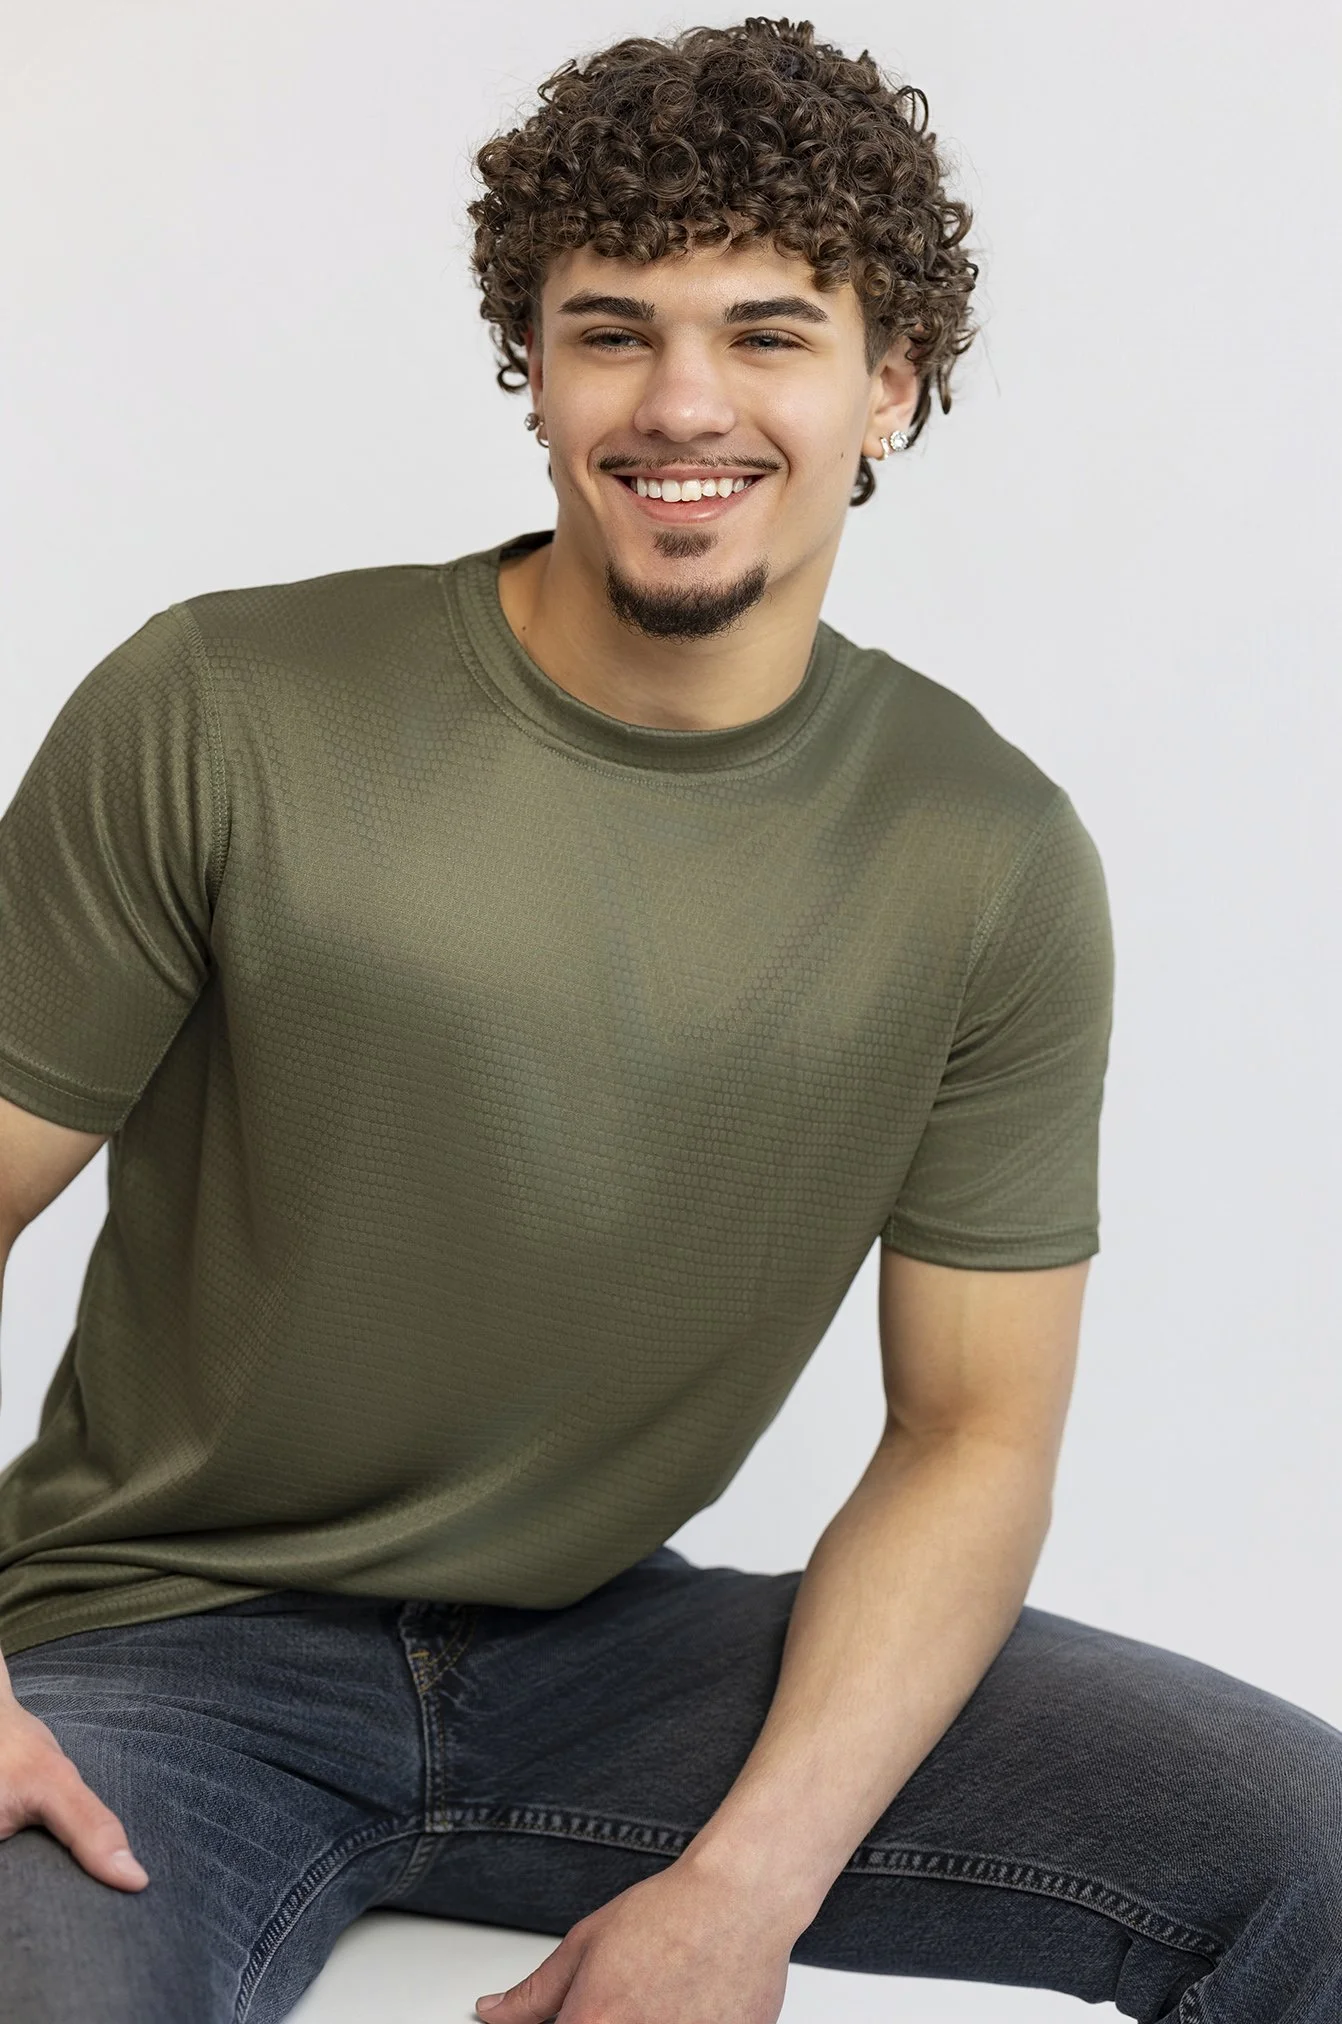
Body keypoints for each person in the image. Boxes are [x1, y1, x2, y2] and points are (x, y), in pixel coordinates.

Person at [0, 15, 1336, 2022]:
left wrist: (747, 1884)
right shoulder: (224, 707)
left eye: (768, 331)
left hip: (608, 1661)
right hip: (160, 1649)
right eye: (610, 328)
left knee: (1304, 1852)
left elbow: (967, 1431)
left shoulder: (979, 853)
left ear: (889, 385)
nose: (680, 401)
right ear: (528, 368)